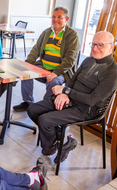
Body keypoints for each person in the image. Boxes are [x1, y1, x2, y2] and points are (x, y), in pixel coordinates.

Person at [27, 31, 117, 163]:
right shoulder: (88, 60)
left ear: (112, 47)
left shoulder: (113, 71)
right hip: (69, 99)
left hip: (86, 109)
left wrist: (66, 91)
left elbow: (92, 99)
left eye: (100, 45)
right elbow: (72, 80)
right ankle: (64, 142)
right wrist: (64, 93)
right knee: (33, 109)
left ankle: (50, 147)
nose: (95, 48)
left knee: (45, 120)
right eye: (93, 44)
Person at [13, 6, 80, 112]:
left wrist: (55, 73)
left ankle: (44, 108)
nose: (55, 19)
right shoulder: (47, 32)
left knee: (53, 82)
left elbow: (70, 59)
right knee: (26, 73)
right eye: (53, 17)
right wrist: (26, 64)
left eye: (59, 17)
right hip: (44, 66)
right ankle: (28, 102)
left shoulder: (72, 35)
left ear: (66, 19)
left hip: (61, 71)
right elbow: (36, 50)